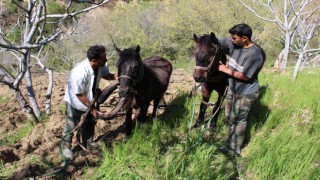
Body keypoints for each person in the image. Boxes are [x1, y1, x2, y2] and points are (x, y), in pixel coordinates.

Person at [62, 45, 117, 159]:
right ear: (94, 60)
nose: (106, 60)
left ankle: (88, 143)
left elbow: (106, 75)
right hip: (75, 101)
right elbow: (79, 94)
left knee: (90, 123)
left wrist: (116, 76)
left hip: (91, 99)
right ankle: (66, 148)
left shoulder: (100, 66)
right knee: (71, 125)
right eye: (104, 58)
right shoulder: (80, 72)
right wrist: (92, 109)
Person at [218, 24, 265, 157]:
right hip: (233, 89)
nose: (231, 40)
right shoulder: (234, 43)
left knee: (238, 120)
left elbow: (245, 76)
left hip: (245, 93)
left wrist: (225, 69)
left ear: (244, 38)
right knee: (228, 115)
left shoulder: (254, 55)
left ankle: (234, 150)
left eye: (234, 38)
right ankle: (228, 141)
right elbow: (218, 41)